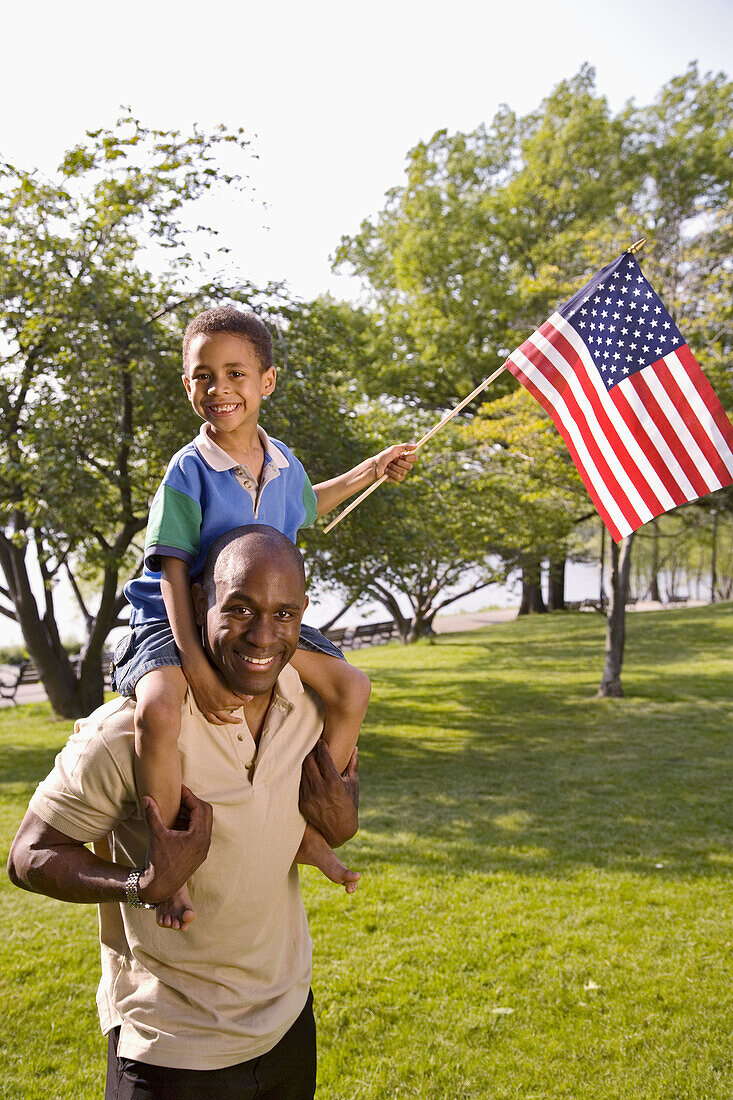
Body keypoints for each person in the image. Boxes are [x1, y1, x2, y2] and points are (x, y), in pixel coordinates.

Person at [8, 525, 361, 1099]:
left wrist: (344, 820)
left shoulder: (310, 705)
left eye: (285, 614)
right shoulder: (125, 732)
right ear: (200, 601)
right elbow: (29, 856)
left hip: (289, 1023)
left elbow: (328, 817)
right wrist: (141, 882)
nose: (263, 636)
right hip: (170, 1053)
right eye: (241, 608)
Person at [113, 304, 416, 929]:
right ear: (186, 384)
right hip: (175, 621)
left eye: (235, 374)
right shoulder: (188, 470)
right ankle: (171, 863)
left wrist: (372, 470)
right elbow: (170, 570)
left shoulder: (282, 464)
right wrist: (193, 665)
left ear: (266, 382)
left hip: (261, 623)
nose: (219, 390)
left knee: (352, 687)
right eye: (203, 377)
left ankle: (304, 824)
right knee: (159, 710)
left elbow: (309, 505)